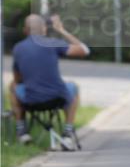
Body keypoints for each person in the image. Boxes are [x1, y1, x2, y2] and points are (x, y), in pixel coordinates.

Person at [9, 14, 90, 149]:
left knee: (12, 86)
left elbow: (18, 79)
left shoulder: (18, 48)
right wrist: (61, 30)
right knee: (73, 87)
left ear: (25, 30)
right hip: (58, 98)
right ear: (44, 29)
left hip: (30, 100)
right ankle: (67, 133)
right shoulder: (53, 43)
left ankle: (21, 131)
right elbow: (84, 50)